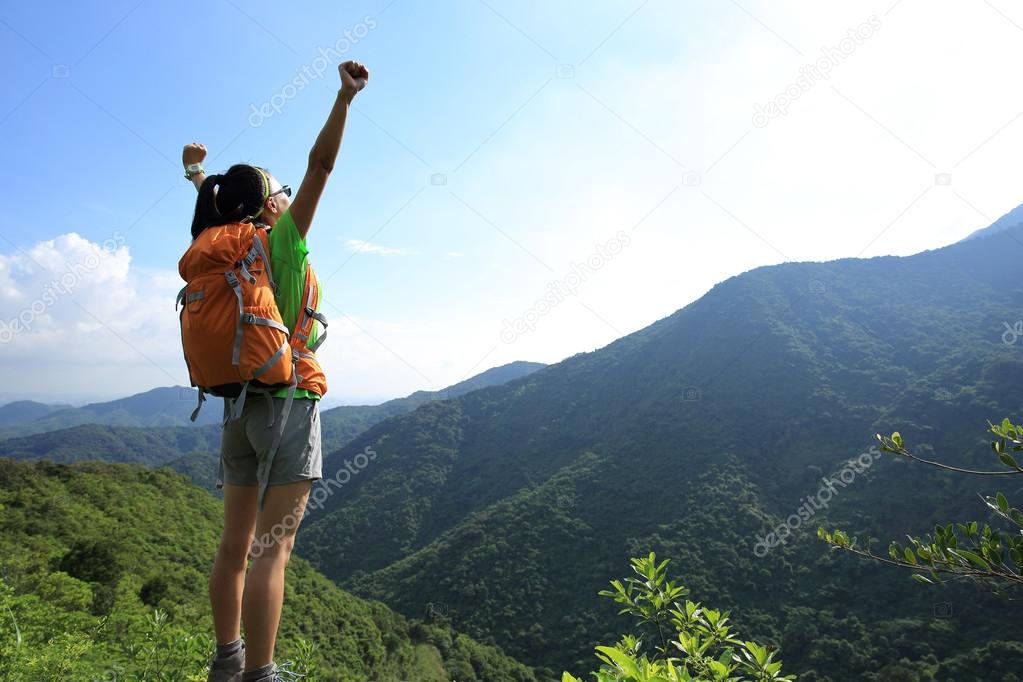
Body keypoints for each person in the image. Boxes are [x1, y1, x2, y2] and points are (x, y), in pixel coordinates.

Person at [182, 60, 369, 682]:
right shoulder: (279, 242)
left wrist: (196, 175)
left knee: (233, 547)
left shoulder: (221, 244)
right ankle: (262, 674)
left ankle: (227, 662)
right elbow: (322, 168)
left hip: (233, 407)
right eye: (279, 192)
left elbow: (213, 204)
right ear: (268, 207)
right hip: (287, 406)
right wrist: (343, 100)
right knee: (273, 550)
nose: (291, 195)